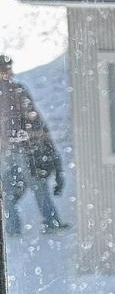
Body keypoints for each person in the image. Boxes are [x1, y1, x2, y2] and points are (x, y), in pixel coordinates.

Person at [1, 54, 68, 237]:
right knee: (37, 184)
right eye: (7, 68)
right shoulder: (16, 90)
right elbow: (32, 116)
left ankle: (12, 229)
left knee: (7, 189)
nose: (10, 72)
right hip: (23, 146)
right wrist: (41, 137)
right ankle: (51, 222)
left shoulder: (14, 90)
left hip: (4, 149)